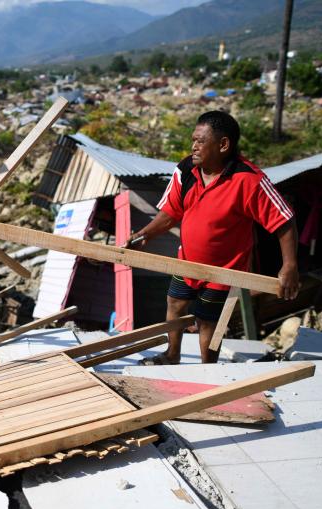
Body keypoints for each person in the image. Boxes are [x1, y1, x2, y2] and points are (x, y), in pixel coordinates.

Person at [127, 111, 299, 364]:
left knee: (207, 320)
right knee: (174, 302)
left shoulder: (249, 180)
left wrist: (290, 265)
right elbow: (170, 213)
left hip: (224, 269)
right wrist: (143, 236)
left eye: (200, 141)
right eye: (193, 140)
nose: (193, 147)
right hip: (187, 261)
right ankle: (171, 354)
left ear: (223, 144)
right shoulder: (186, 170)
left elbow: (284, 220)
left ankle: (207, 369)